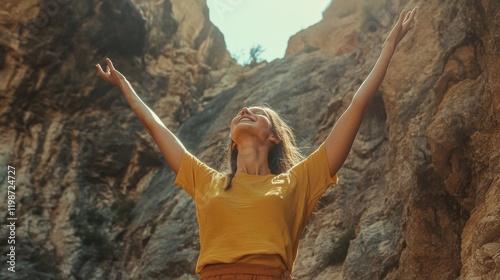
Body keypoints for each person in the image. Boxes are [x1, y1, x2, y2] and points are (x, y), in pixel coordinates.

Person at [96, 7, 417, 280]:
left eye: (257, 113)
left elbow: (356, 108)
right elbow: (157, 127)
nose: (244, 110)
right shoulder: (206, 180)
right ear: (232, 143)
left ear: (274, 136)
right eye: (240, 112)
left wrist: (387, 46)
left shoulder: (297, 181)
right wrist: (126, 87)